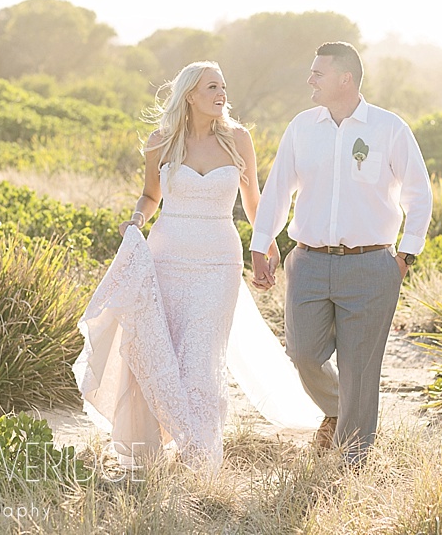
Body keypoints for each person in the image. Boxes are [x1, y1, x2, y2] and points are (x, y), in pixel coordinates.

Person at [74, 61, 320, 471]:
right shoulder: (161, 142)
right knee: (161, 354)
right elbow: (149, 196)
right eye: (211, 87)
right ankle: (156, 450)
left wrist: (268, 244)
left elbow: (254, 200)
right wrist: (137, 220)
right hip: (166, 257)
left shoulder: (238, 140)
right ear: (190, 95)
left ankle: (201, 460)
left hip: (219, 261)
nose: (221, 93)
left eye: (223, 86)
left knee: (201, 358)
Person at [249, 42, 433, 465]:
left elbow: (418, 195)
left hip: (372, 265)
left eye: (318, 73)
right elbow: (278, 191)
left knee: (360, 370)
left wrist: (405, 257)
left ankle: (352, 464)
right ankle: (337, 410)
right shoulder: (301, 127)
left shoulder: (389, 128)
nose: (310, 79)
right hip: (309, 261)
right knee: (303, 353)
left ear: (344, 79)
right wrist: (261, 245)